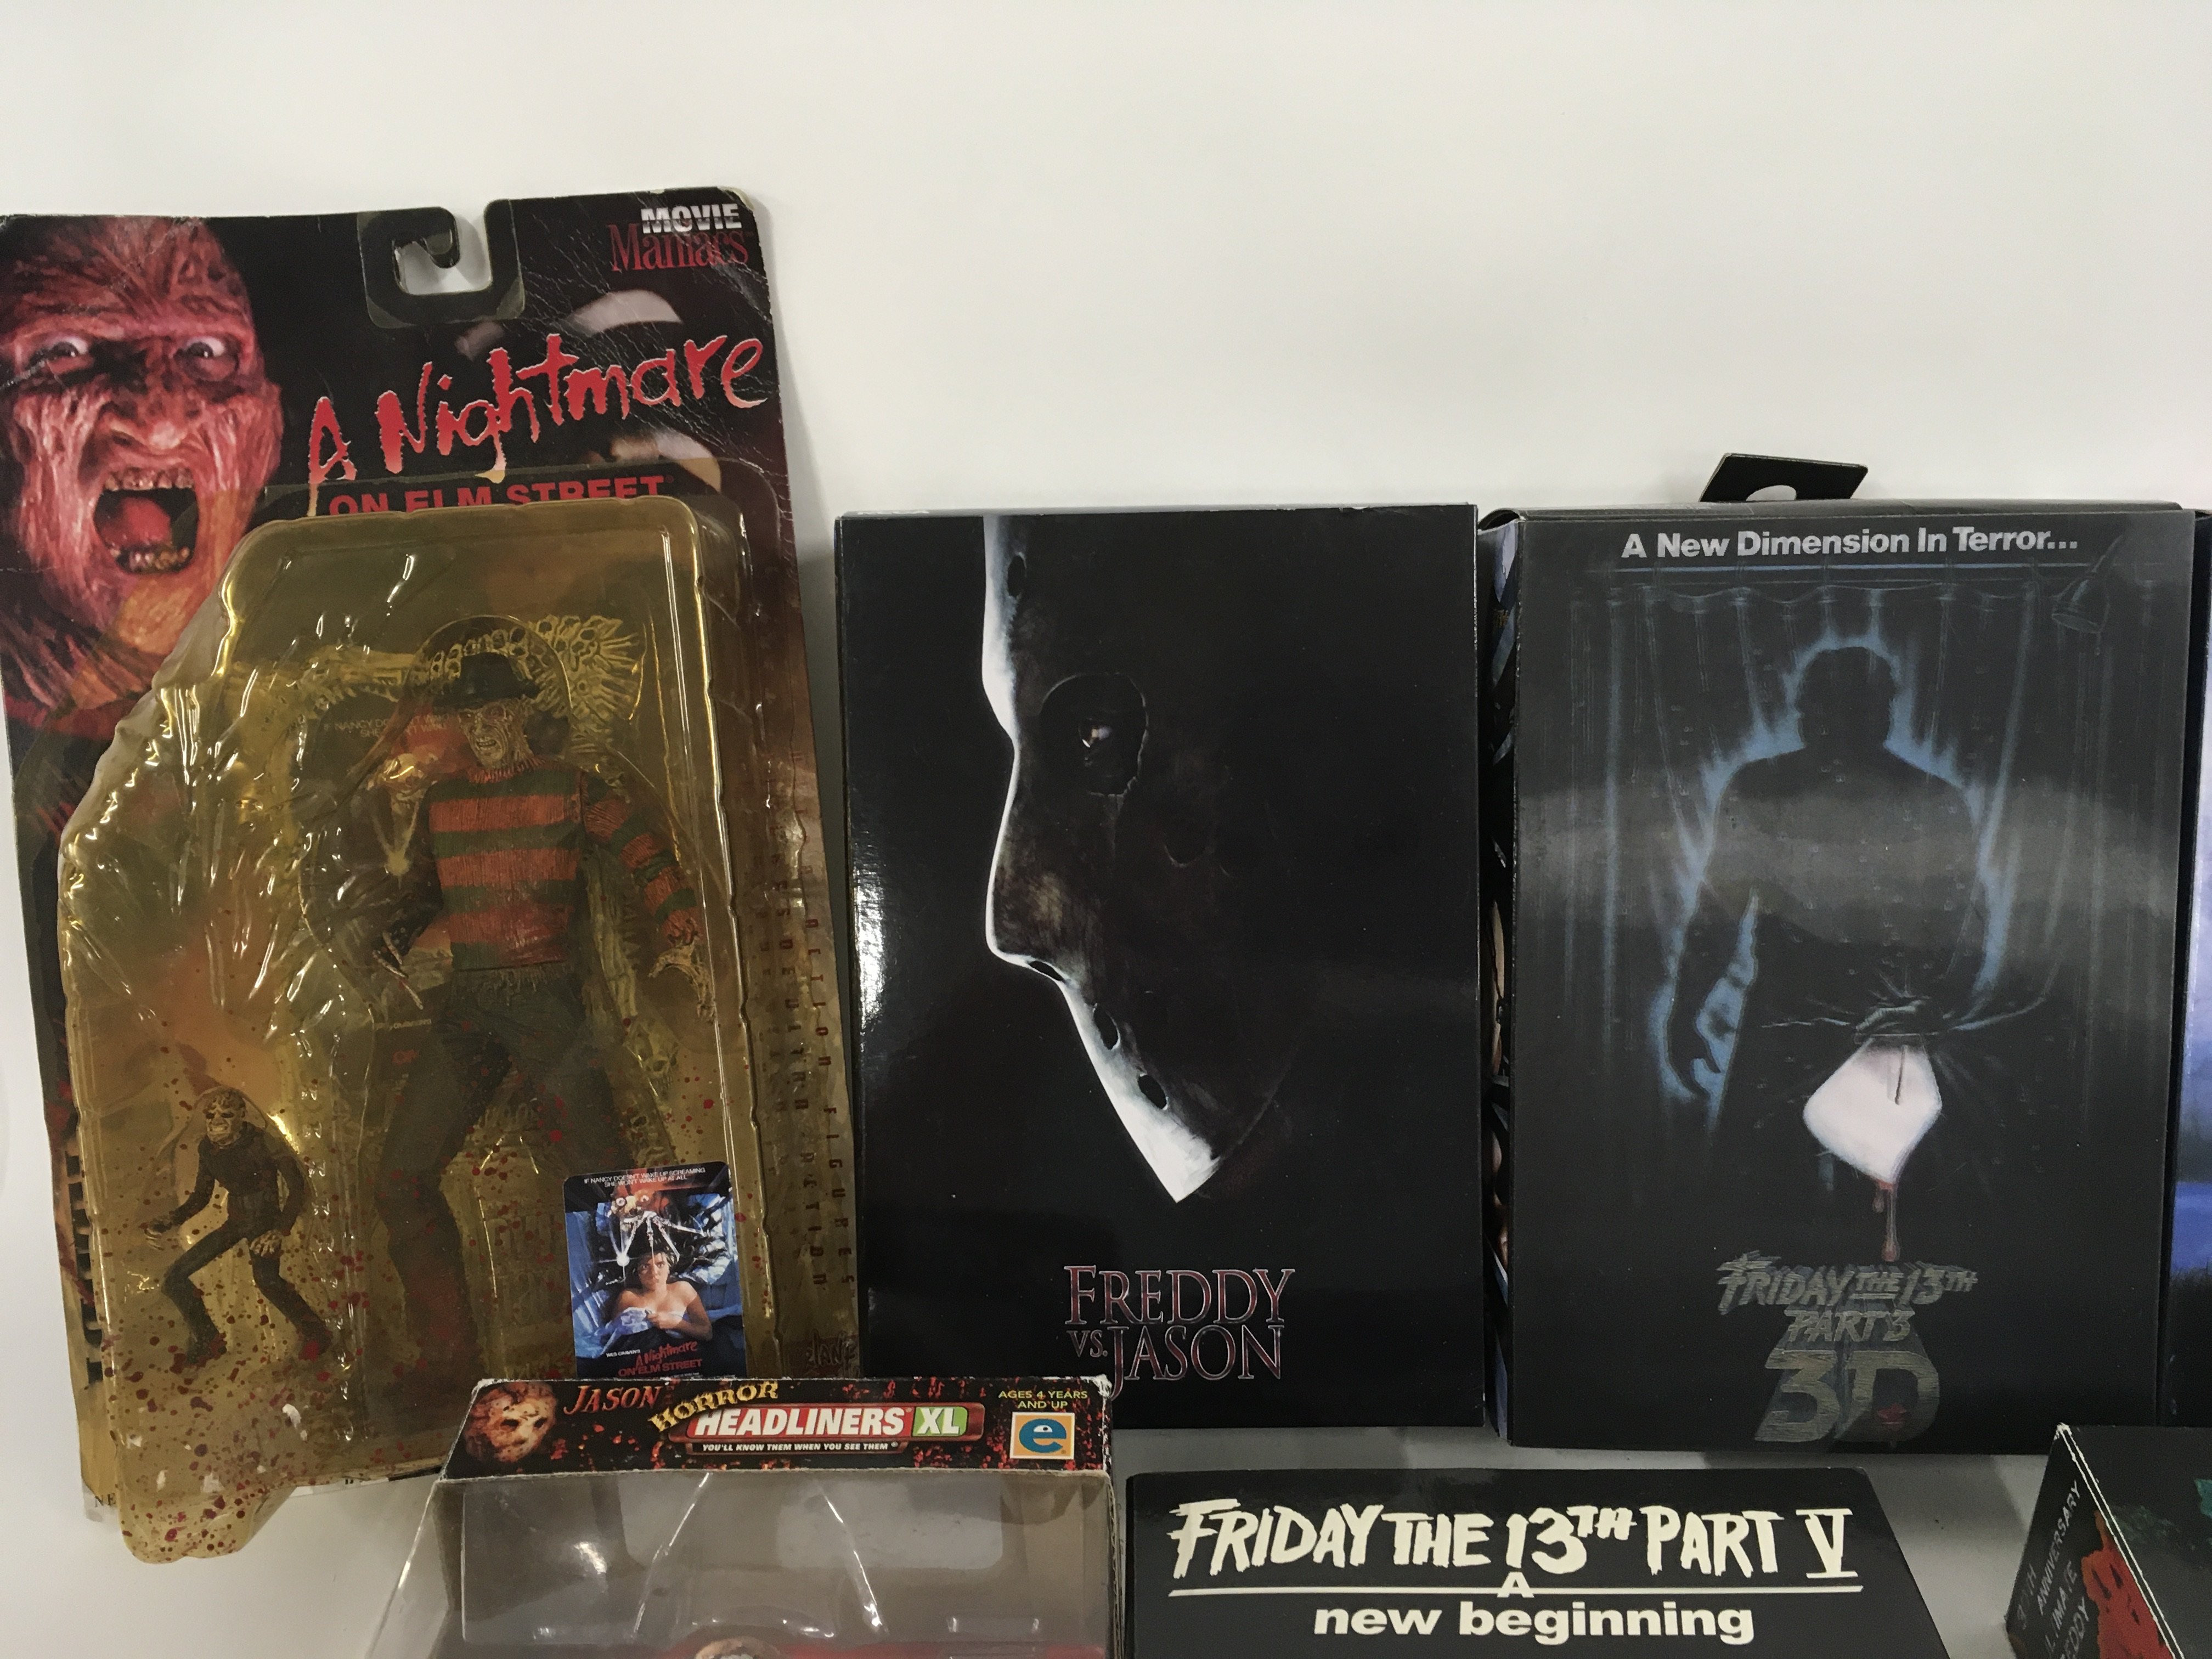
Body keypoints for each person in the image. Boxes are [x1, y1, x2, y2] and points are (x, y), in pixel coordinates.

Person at [373, 651, 708, 1383]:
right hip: (470, 1003)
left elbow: (646, 853)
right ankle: (449, 1362)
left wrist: (683, 934)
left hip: (545, 999)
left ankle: (659, 1352)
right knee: (399, 1177)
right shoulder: (441, 802)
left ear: (522, 712)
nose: (484, 728)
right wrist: (383, 947)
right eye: (471, 716)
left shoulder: (570, 787)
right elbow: (422, 894)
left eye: (497, 712)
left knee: (608, 1178)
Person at [1666, 647, 1984, 1262]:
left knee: (1879, 1195)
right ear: (1806, 712)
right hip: (1795, 1007)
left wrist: (1933, 1007)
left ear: (1882, 714)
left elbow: (1964, 928)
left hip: (1884, 1016)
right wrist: (1684, 1012)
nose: (1839, 723)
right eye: (1828, 707)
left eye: (1858, 708)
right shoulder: (1762, 788)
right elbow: (1718, 913)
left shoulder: (1932, 801)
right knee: (1759, 1193)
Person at [145, 1086, 331, 1369]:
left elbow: (297, 1189)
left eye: (226, 1115)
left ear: (242, 1115)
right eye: (211, 1115)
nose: (216, 1122)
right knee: (174, 1278)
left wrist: (279, 1231)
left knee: (267, 1281)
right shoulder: (208, 1149)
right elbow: (201, 1198)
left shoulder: (264, 1143)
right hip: (236, 1222)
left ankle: (317, 1334)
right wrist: (169, 1221)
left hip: (266, 1223)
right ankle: (208, 1340)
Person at [600, 1250, 711, 1352]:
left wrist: (676, 1323)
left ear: (669, 1269)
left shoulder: (683, 1290)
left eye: (660, 1265)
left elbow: (707, 1333)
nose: (654, 1272)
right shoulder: (628, 1297)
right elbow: (611, 1338)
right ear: (638, 1273)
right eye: (645, 1266)